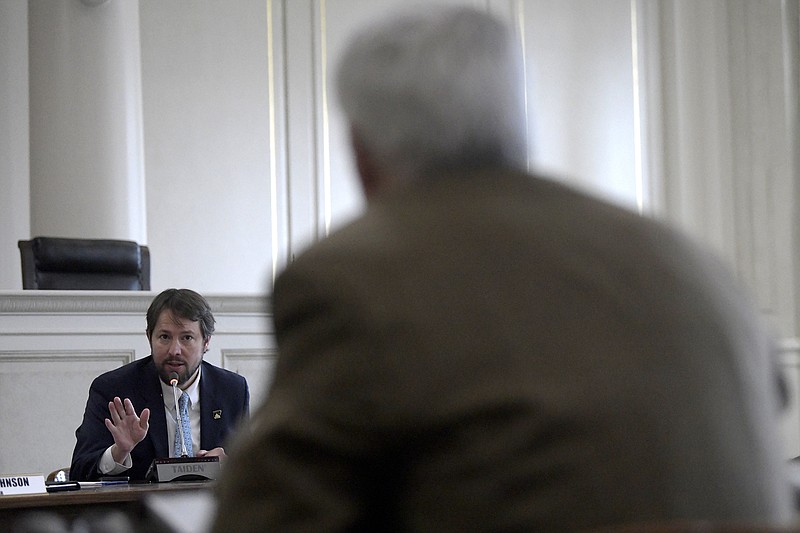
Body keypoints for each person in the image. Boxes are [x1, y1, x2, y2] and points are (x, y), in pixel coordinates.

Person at [212, 6, 794, 531]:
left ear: (362, 152)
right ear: (516, 127)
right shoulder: (692, 262)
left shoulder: (349, 277)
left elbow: (265, 518)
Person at [70, 288, 250, 481]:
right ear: (150, 338)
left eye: (187, 338)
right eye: (164, 337)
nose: (175, 350)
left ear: (206, 342)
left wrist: (233, 465)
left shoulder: (232, 390)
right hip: (139, 509)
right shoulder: (114, 390)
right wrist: (118, 452)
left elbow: (257, 471)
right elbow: (79, 471)